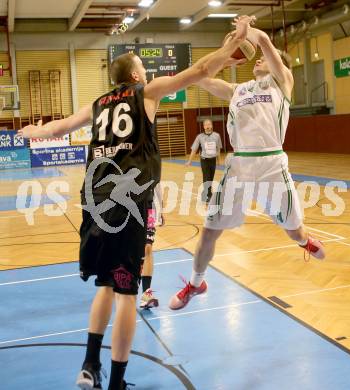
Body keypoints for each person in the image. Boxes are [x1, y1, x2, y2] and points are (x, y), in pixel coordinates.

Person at [18, 18, 251, 390]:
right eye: (142, 65)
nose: (146, 69)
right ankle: (117, 382)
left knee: (105, 284)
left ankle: (91, 365)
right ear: (135, 73)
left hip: (95, 201)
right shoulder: (147, 93)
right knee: (126, 290)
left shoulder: (96, 105)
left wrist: (32, 132)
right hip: (128, 200)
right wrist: (231, 44)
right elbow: (201, 70)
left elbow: (58, 128)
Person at [169, 18, 326, 311]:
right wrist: (227, 49)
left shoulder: (283, 83)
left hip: (271, 164)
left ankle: (304, 240)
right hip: (239, 165)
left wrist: (250, 32)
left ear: (278, 64)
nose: (257, 63)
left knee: (293, 230)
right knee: (209, 230)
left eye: (265, 61)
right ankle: (196, 282)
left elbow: (265, 45)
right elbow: (198, 76)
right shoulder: (236, 90)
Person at [186, 119, 222, 203]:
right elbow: (194, 150)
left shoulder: (217, 136)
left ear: (212, 125)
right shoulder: (200, 137)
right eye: (206, 125)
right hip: (204, 160)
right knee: (206, 177)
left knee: (211, 178)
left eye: (209, 124)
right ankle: (208, 195)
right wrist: (189, 161)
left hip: (213, 160)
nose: (208, 126)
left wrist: (219, 160)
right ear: (203, 126)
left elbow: (218, 149)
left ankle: (205, 193)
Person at [140, 183, 163, 309]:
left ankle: (146, 295)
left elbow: (158, 184)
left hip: (150, 209)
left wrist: (161, 211)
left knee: (148, 248)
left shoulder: (154, 163)